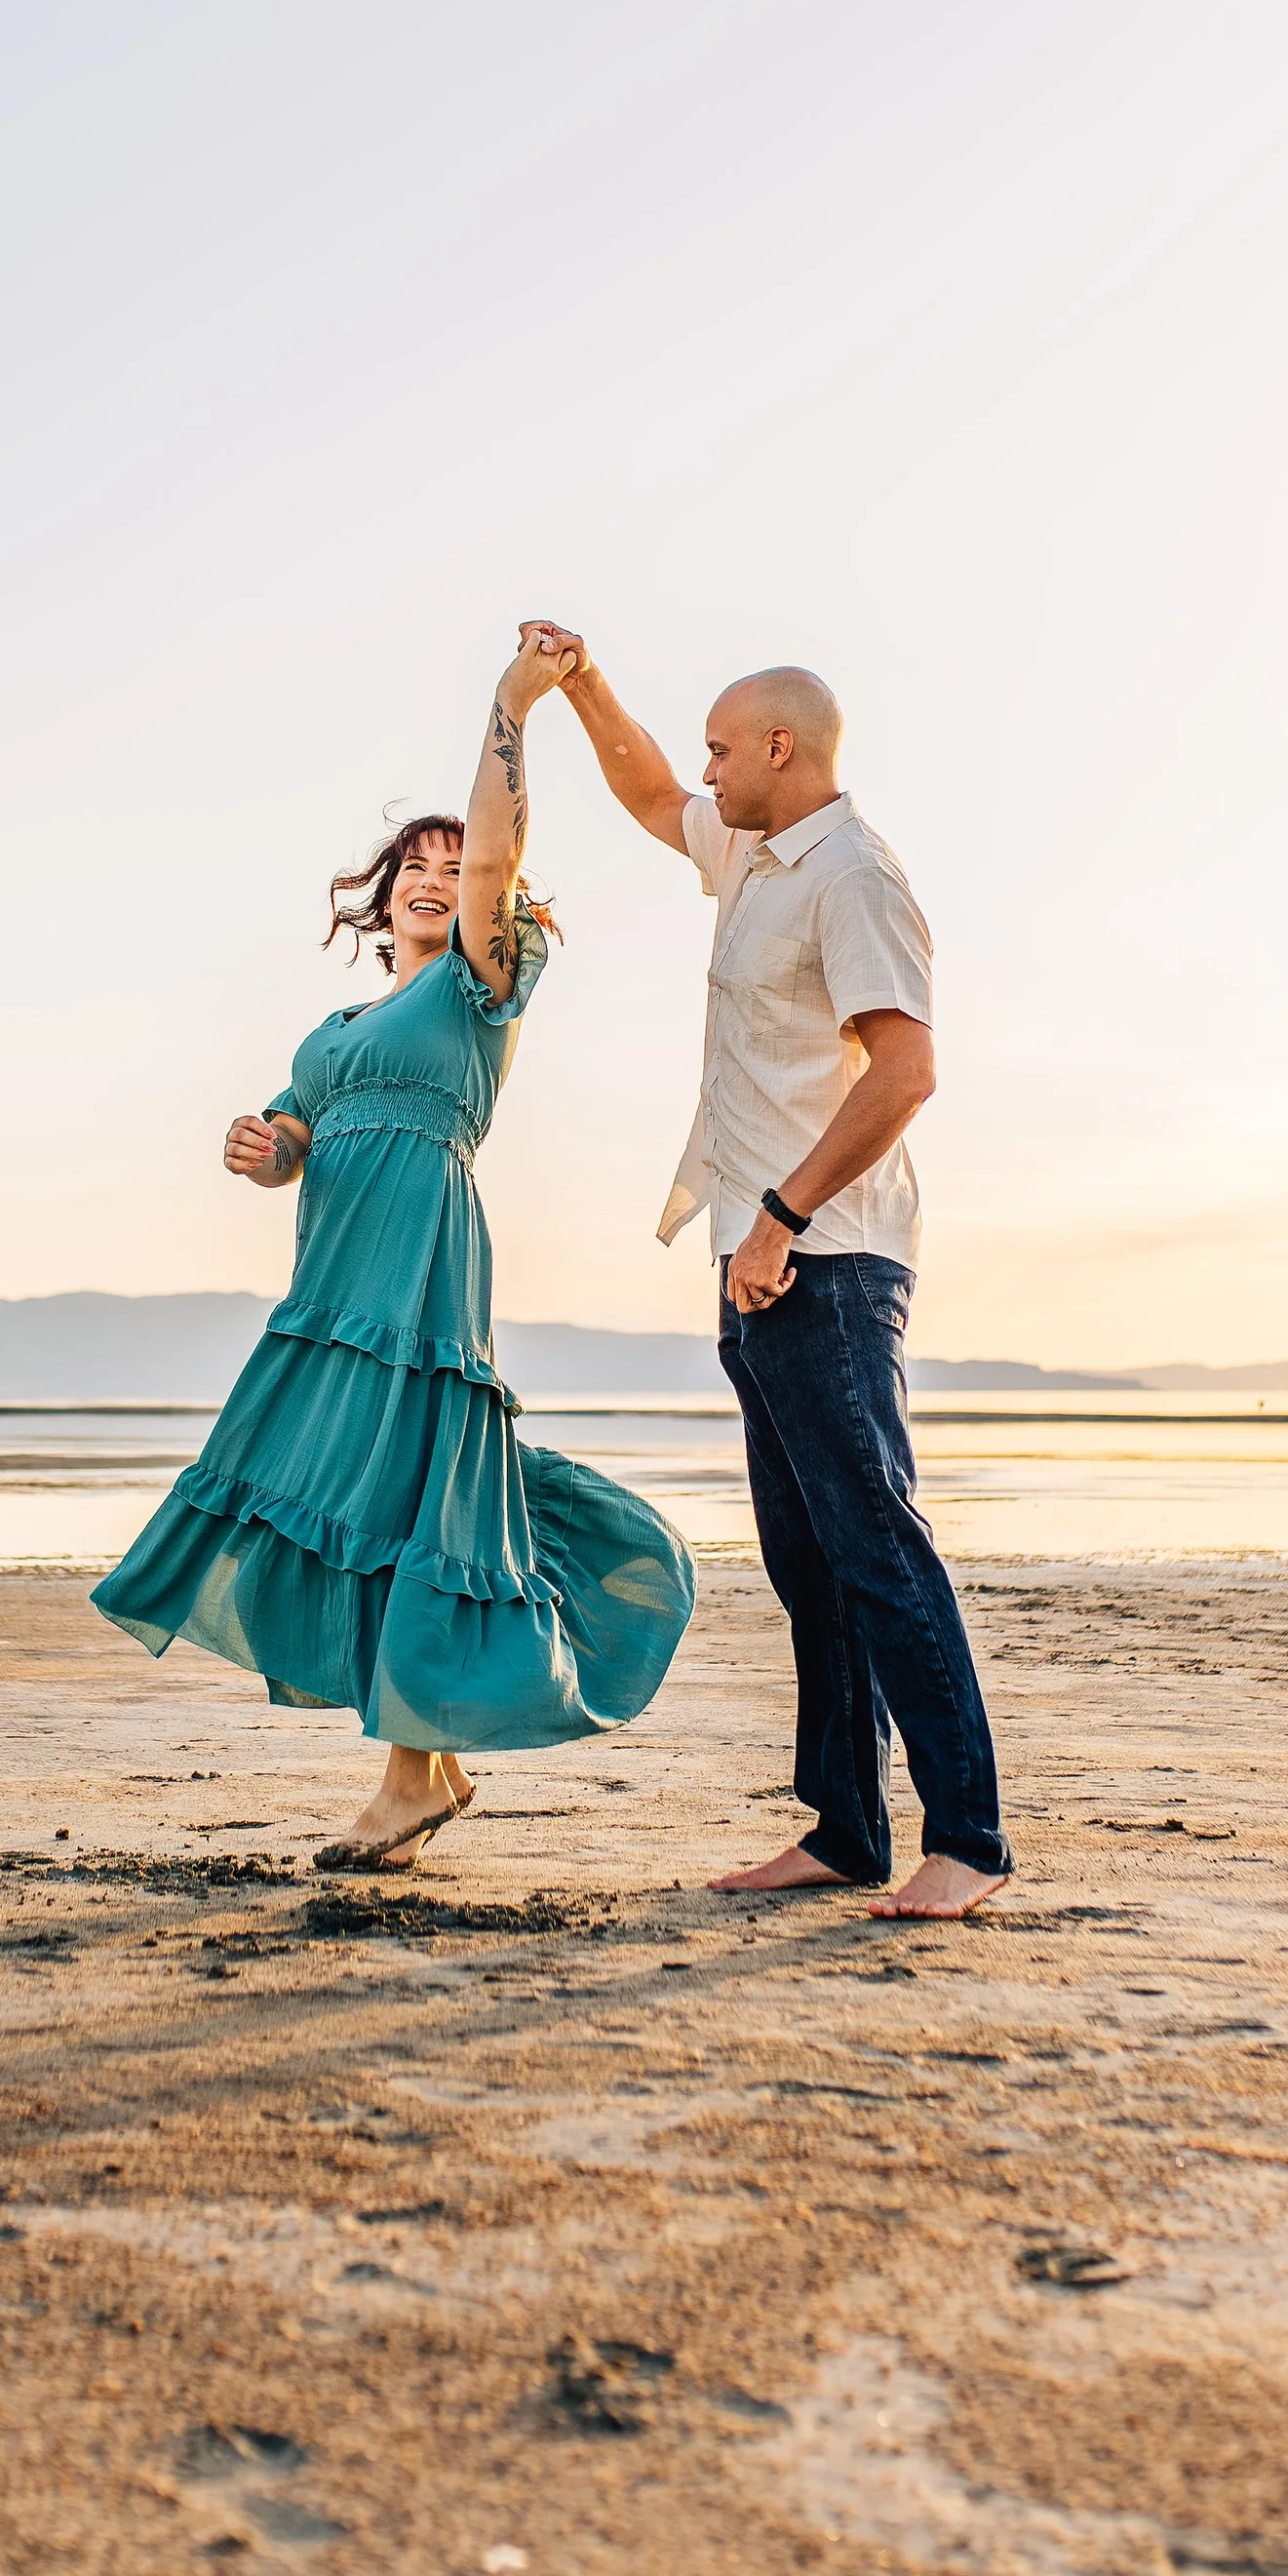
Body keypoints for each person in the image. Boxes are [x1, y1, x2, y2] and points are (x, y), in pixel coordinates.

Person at [91, 634, 695, 1869]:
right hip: (332, 1284)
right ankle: (428, 1768)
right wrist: (263, 1146)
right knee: (371, 1496)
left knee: (416, 1483)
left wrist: (511, 706)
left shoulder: (483, 980)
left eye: (454, 863)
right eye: (414, 866)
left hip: (419, 1264)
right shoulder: (337, 1025)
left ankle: (409, 1778)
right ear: (379, 900)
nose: (438, 875)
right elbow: (289, 1144)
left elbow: (498, 849)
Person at [527, 625, 1010, 1920]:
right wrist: (579, 682)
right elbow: (639, 789)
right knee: (809, 1561)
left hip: (828, 1255)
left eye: (723, 747)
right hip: (760, 1251)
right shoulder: (747, 852)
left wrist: (786, 1215)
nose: (705, 766)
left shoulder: (852, 874)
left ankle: (966, 1836)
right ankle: (845, 1827)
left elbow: (906, 1071)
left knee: (877, 1543)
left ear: (781, 749)